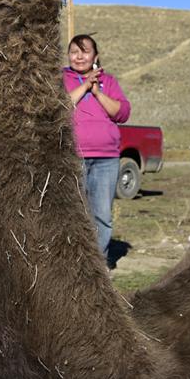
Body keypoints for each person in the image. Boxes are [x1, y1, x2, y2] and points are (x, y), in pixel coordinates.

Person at [63, 34, 131, 257]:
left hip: (106, 159)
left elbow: (121, 113)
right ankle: (74, 261)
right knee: (74, 212)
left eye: (85, 51)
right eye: (74, 51)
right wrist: (84, 87)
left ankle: (98, 263)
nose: (79, 56)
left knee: (101, 213)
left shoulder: (108, 81)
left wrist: (97, 91)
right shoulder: (60, 79)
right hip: (73, 157)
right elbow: (59, 107)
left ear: (95, 56)